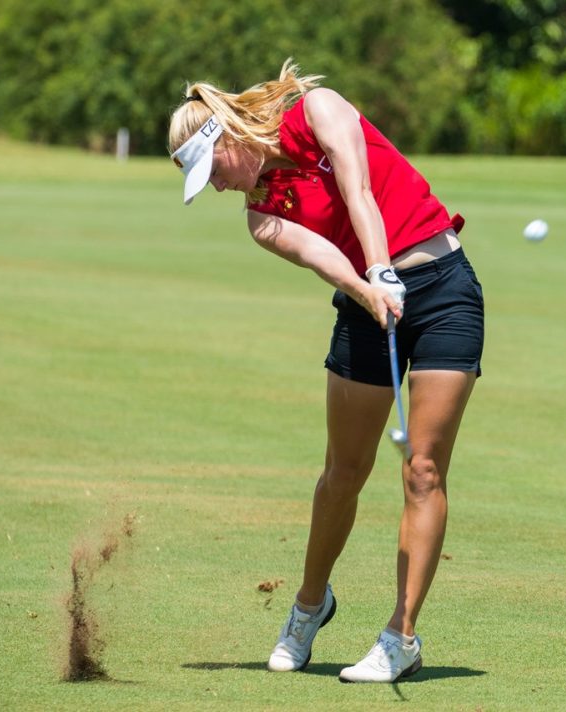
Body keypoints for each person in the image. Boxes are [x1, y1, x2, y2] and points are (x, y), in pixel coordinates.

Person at [167, 59, 484, 684]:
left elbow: (359, 192)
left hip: (445, 289)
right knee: (344, 473)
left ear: (229, 138)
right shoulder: (261, 217)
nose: (218, 188)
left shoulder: (318, 111)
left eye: (214, 172)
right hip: (368, 302)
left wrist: (383, 266)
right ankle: (310, 605)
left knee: (422, 469)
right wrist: (371, 290)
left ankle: (401, 636)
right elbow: (323, 256)